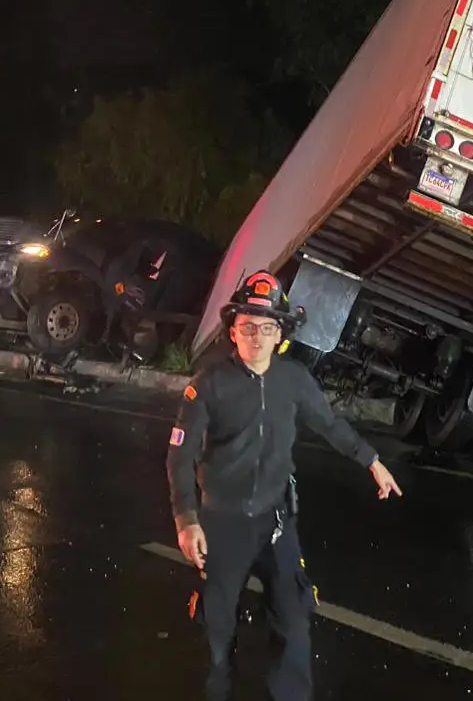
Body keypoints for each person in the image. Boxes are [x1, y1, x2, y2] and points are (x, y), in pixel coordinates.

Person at [166, 270, 402, 701]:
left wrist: (372, 461)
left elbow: (329, 424)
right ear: (233, 331)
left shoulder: (293, 381)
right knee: (218, 627)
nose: (257, 336)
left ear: (281, 335)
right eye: (248, 327)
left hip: (277, 522)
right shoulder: (208, 385)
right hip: (223, 525)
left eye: (268, 327)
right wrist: (187, 519)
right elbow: (179, 456)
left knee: (293, 617)